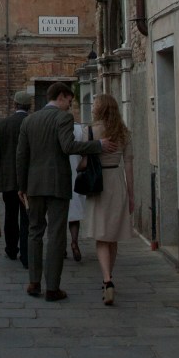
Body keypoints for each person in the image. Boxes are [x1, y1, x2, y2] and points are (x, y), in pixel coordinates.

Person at [16, 81, 117, 302]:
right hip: (57, 184)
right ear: (60, 97)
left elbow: (21, 156)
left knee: (34, 232)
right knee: (55, 235)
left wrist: (22, 186)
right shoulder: (63, 118)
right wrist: (97, 145)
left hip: (34, 184)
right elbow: (68, 146)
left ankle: (34, 283)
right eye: (70, 102)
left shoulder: (29, 120)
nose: (70, 107)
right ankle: (52, 288)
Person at [84, 93, 134, 306]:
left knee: (102, 236)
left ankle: (107, 279)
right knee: (112, 236)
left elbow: (83, 162)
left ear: (99, 109)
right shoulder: (123, 133)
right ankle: (109, 278)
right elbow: (129, 166)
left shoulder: (92, 131)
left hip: (98, 183)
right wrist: (132, 195)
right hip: (117, 182)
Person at [0, 91, 32, 268]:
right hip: (29, 179)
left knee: (11, 215)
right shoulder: (32, 123)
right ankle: (26, 253)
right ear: (29, 106)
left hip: (8, 178)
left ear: (14, 105)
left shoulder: (2, 125)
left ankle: (11, 248)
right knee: (27, 217)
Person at [67, 121, 87, 261]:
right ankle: (74, 242)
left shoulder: (52, 126)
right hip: (75, 175)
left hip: (57, 177)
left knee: (58, 215)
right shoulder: (79, 129)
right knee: (74, 215)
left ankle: (60, 246)